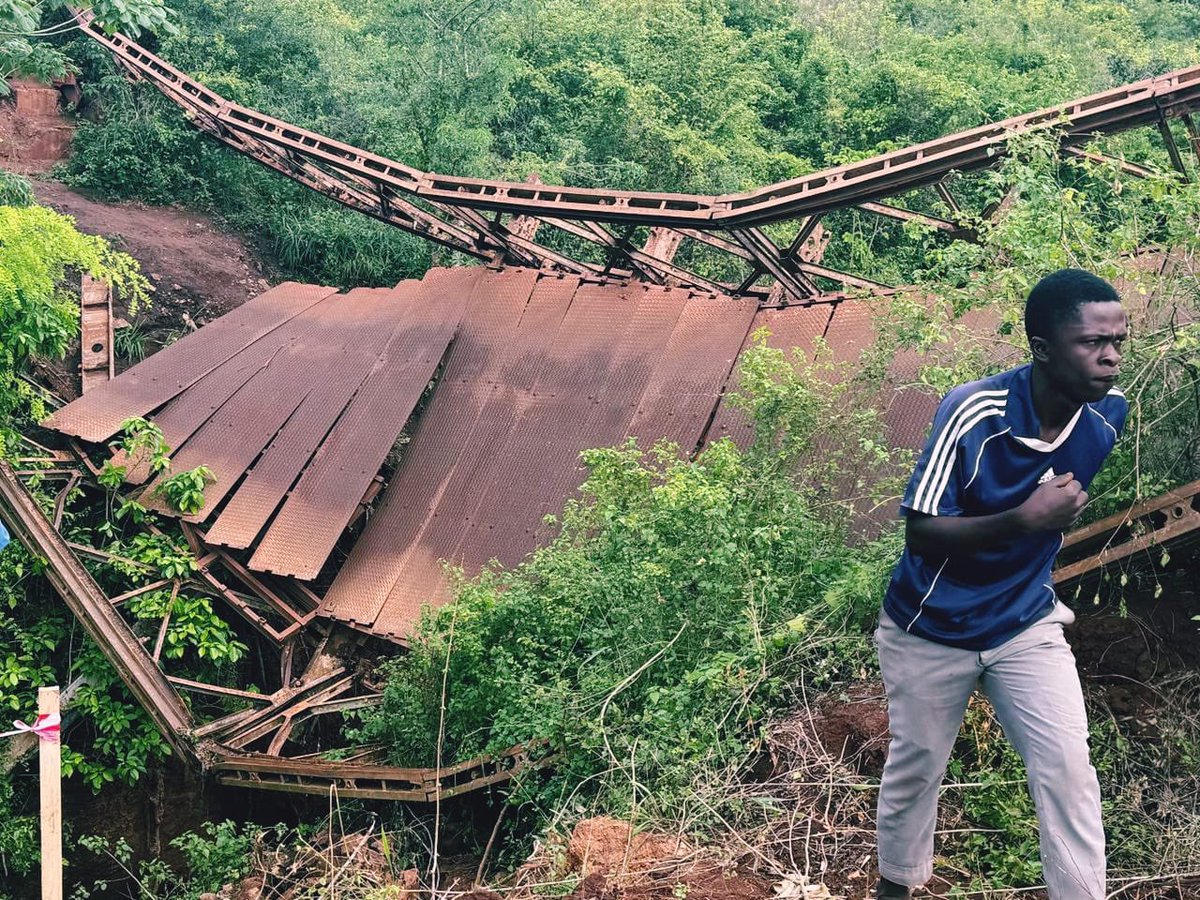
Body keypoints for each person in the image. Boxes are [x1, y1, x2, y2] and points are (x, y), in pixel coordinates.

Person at [874, 269, 1128, 900]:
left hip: (1024, 623)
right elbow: (922, 533)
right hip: (930, 626)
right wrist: (1022, 519)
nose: (1111, 356)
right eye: (1092, 342)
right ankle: (896, 888)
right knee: (917, 772)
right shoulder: (974, 410)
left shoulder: (1108, 415)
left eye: (1119, 339)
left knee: (1069, 773)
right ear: (1042, 349)